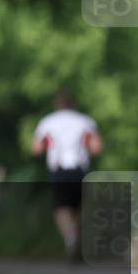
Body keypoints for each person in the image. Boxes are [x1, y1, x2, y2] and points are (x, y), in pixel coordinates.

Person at [31, 91, 102, 261]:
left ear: (58, 105)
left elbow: (36, 149)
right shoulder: (85, 121)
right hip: (79, 170)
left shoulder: (48, 122)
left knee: (62, 208)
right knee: (78, 207)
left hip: (59, 169)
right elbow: (97, 147)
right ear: (74, 104)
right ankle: (78, 240)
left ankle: (70, 236)